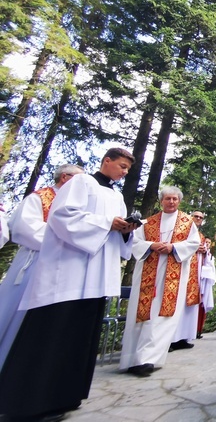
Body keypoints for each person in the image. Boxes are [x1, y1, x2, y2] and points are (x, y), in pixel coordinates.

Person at [0, 147, 136, 421]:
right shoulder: (81, 182)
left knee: (80, 339)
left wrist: (125, 230)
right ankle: (31, 403)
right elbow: (62, 217)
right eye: (121, 166)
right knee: (54, 334)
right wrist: (106, 223)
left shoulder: (117, 196)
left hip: (96, 278)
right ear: (106, 161)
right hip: (70, 275)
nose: (124, 172)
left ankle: (67, 396)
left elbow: (120, 240)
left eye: (127, 169)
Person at [0, 164, 84, 369]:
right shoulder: (39, 198)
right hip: (33, 262)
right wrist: (67, 237)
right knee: (15, 315)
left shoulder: (74, 205)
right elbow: (24, 228)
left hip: (62, 266)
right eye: (79, 181)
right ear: (65, 178)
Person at [119, 186, 200, 376]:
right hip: (148, 273)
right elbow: (135, 243)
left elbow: (193, 244)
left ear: (179, 201)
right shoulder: (148, 222)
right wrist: (151, 245)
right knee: (142, 315)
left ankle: (148, 360)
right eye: (167, 199)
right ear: (161, 201)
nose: (171, 202)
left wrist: (173, 247)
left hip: (174, 273)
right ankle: (132, 358)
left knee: (164, 317)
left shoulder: (188, 223)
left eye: (174, 199)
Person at [190, 211, 216, 339]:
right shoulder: (184, 231)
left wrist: (205, 252)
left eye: (201, 217)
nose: (198, 218)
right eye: (196, 216)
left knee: (195, 304)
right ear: (191, 217)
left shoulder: (200, 235)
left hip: (197, 274)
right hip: (184, 272)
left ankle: (188, 334)